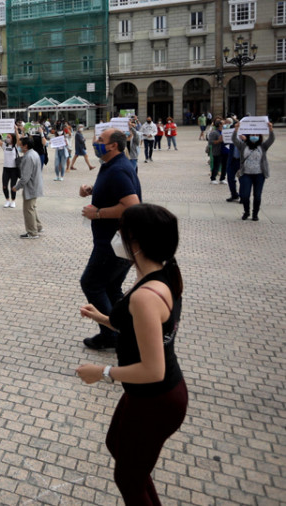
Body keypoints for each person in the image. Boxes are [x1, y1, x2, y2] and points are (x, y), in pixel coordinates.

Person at [76, 203, 187, 505]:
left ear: (135, 242)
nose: (117, 236)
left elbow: (154, 370)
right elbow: (139, 328)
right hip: (146, 394)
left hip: (158, 398)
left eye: (121, 231)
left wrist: (101, 373)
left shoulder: (145, 296)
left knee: (128, 477)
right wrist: (101, 316)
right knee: (118, 445)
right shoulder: (163, 273)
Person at [79, 128, 142, 350]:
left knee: (92, 283)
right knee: (112, 287)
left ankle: (110, 334)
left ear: (113, 145)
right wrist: (93, 190)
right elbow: (116, 193)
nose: (95, 142)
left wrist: (97, 213)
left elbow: (132, 205)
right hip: (119, 243)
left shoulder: (118, 170)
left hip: (113, 245)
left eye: (100, 139)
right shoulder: (113, 165)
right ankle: (125, 329)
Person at [232, 121, 275, 221]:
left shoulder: (263, 146)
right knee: (245, 195)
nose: (254, 136)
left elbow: (271, 139)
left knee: (257, 196)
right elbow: (234, 139)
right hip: (246, 174)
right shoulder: (243, 146)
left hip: (259, 174)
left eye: (256, 135)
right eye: (252, 135)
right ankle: (246, 211)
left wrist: (270, 129)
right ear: (249, 136)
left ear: (259, 136)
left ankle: (255, 214)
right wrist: (236, 129)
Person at [13, 137, 44, 239]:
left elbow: (25, 177)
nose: (19, 146)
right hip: (35, 185)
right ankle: (38, 226)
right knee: (32, 208)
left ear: (25, 146)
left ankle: (32, 232)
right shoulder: (34, 153)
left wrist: (17, 187)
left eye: (20, 144)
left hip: (31, 187)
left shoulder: (28, 157)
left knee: (28, 209)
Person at [0, 133, 19, 208]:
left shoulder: (16, 146)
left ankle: (13, 201)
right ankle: (7, 200)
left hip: (14, 169)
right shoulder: (5, 145)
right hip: (6, 168)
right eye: (7, 137)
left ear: (12, 138)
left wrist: (16, 130)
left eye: (9, 137)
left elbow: (18, 139)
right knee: (4, 186)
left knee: (13, 186)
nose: (7, 138)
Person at [207, 120, 225, 184]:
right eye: (223, 123)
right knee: (216, 165)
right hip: (217, 151)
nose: (225, 124)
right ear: (220, 125)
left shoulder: (225, 131)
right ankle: (213, 178)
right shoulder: (214, 132)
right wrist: (218, 141)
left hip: (225, 151)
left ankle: (222, 178)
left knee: (224, 166)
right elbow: (210, 142)